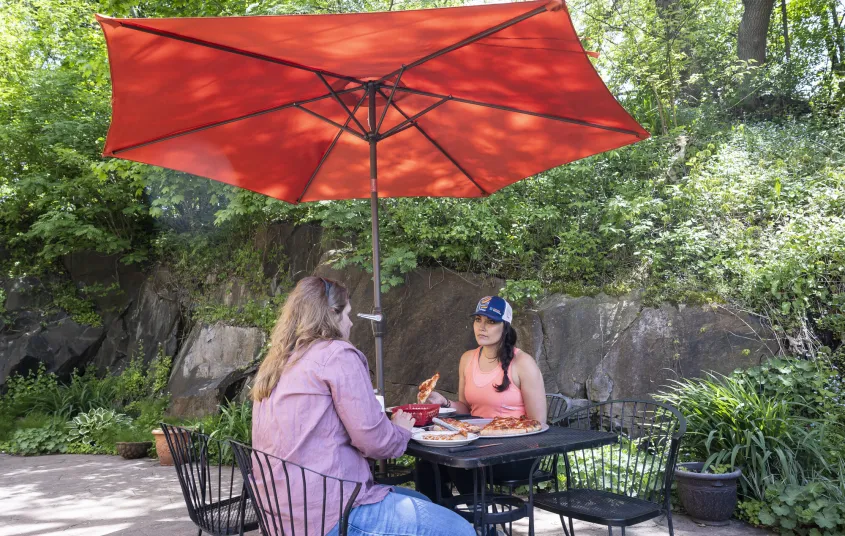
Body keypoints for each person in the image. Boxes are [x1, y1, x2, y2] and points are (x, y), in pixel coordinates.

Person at [251, 276, 476, 536]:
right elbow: (375, 442)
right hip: (330, 513)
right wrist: (400, 429)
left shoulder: (279, 362)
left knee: (423, 503)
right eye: (346, 313)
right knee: (460, 530)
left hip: (282, 513)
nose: (351, 322)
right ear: (331, 315)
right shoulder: (337, 354)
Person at [419, 295, 547, 500]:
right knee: (426, 466)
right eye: (478, 319)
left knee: (458, 460)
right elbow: (467, 410)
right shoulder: (467, 359)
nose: (482, 327)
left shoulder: (523, 363)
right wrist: (445, 402)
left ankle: (485, 525)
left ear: (505, 326)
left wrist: (500, 434)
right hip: (476, 444)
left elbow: (538, 423)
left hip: (517, 453)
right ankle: (451, 522)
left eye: (491, 321)